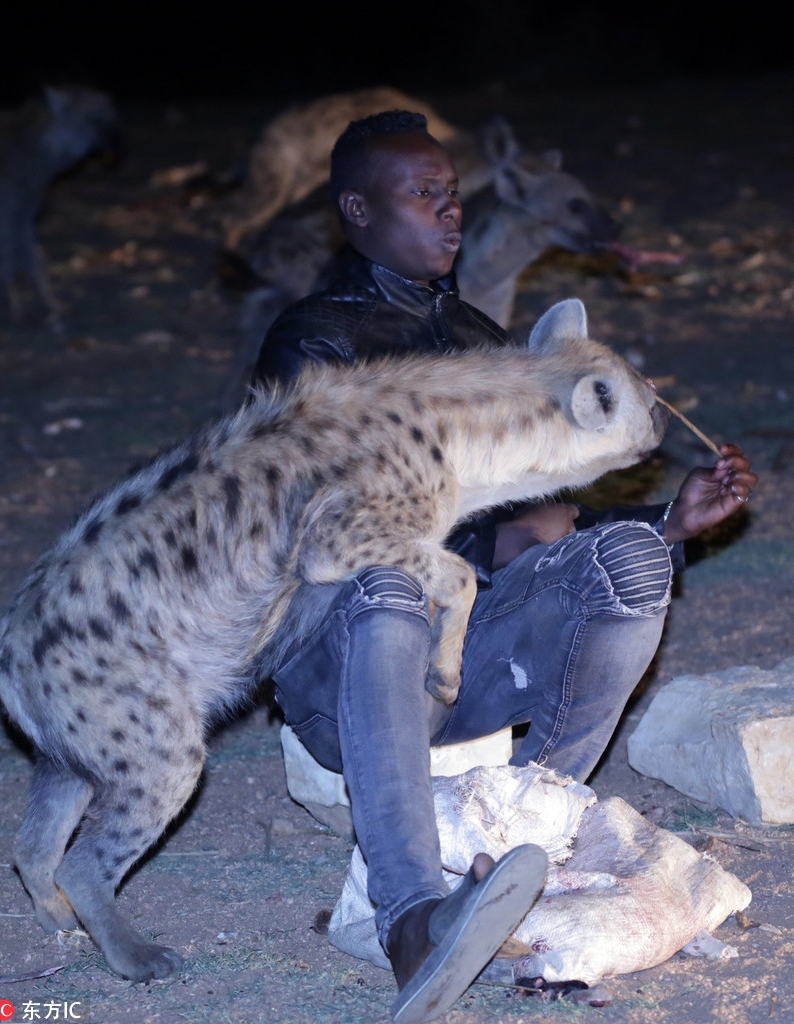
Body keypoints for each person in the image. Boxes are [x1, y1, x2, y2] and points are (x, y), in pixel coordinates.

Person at [252, 111, 757, 1024]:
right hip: (353, 667)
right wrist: (505, 527)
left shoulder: (477, 337)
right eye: (423, 196)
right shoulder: (314, 345)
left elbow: (542, 521)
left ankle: (536, 824)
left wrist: (667, 521)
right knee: (391, 580)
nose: (450, 214)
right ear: (356, 210)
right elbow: (324, 538)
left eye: (451, 194)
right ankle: (411, 920)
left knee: (627, 562)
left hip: (465, 660)